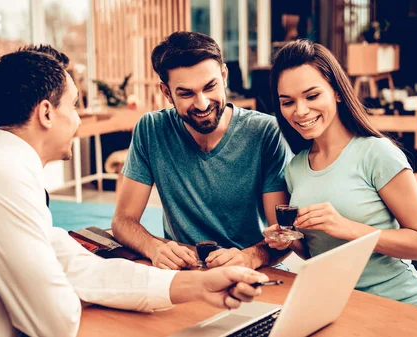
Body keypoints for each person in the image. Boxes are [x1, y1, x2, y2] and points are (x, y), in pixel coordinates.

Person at [0, 45, 270, 337]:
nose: (79, 119)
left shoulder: (1, 169)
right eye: (75, 105)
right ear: (46, 113)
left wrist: (199, 286)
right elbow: (54, 320)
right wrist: (70, 283)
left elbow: (81, 266)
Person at [264, 39, 417, 309]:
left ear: (336, 92)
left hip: (400, 305)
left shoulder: (376, 152)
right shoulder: (296, 167)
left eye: (312, 96)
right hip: (337, 307)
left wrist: (348, 228)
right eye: (288, 102)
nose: (300, 111)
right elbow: (317, 252)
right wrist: (289, 240)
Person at [111, 32, 294, 271]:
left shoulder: (265, 132)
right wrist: (153, 247)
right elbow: (123, 221)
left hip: (252, 273)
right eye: (186, 93)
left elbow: (284, 235)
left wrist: (250, 257)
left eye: (210, 87)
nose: (202, 104)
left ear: (224, 76)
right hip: (186, 275)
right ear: (167, 93)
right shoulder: (151, 129)